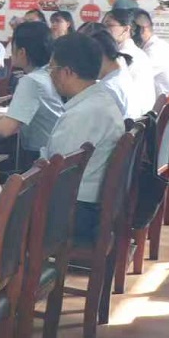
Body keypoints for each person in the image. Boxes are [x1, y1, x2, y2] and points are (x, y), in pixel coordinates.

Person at [43, 34, 125, 241]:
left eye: (51, 68)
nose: (50, 75)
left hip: (74, 213)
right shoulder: (101, 100)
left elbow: (54, 171)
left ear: (67, 72)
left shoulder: (82, 115)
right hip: (88, 206)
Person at [0, 21, 64, 158]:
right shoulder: (48, 73)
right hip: (56, 151)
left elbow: (6, 128)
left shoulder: (32, 81)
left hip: (39, 157)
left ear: (22, 52)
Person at [103, 8, 156, 116]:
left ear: (126, 29)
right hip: (141, 117)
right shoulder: (137, 52)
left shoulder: (123, 56)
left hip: (133, 118)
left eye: (109, 25)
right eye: (103, 26)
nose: (104, 30)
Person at [134, 9, 169, 96]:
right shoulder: (160, 45)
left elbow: (133, 79)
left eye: (130, 30)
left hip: (162, 103)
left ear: (143, 29)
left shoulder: (154, 51)